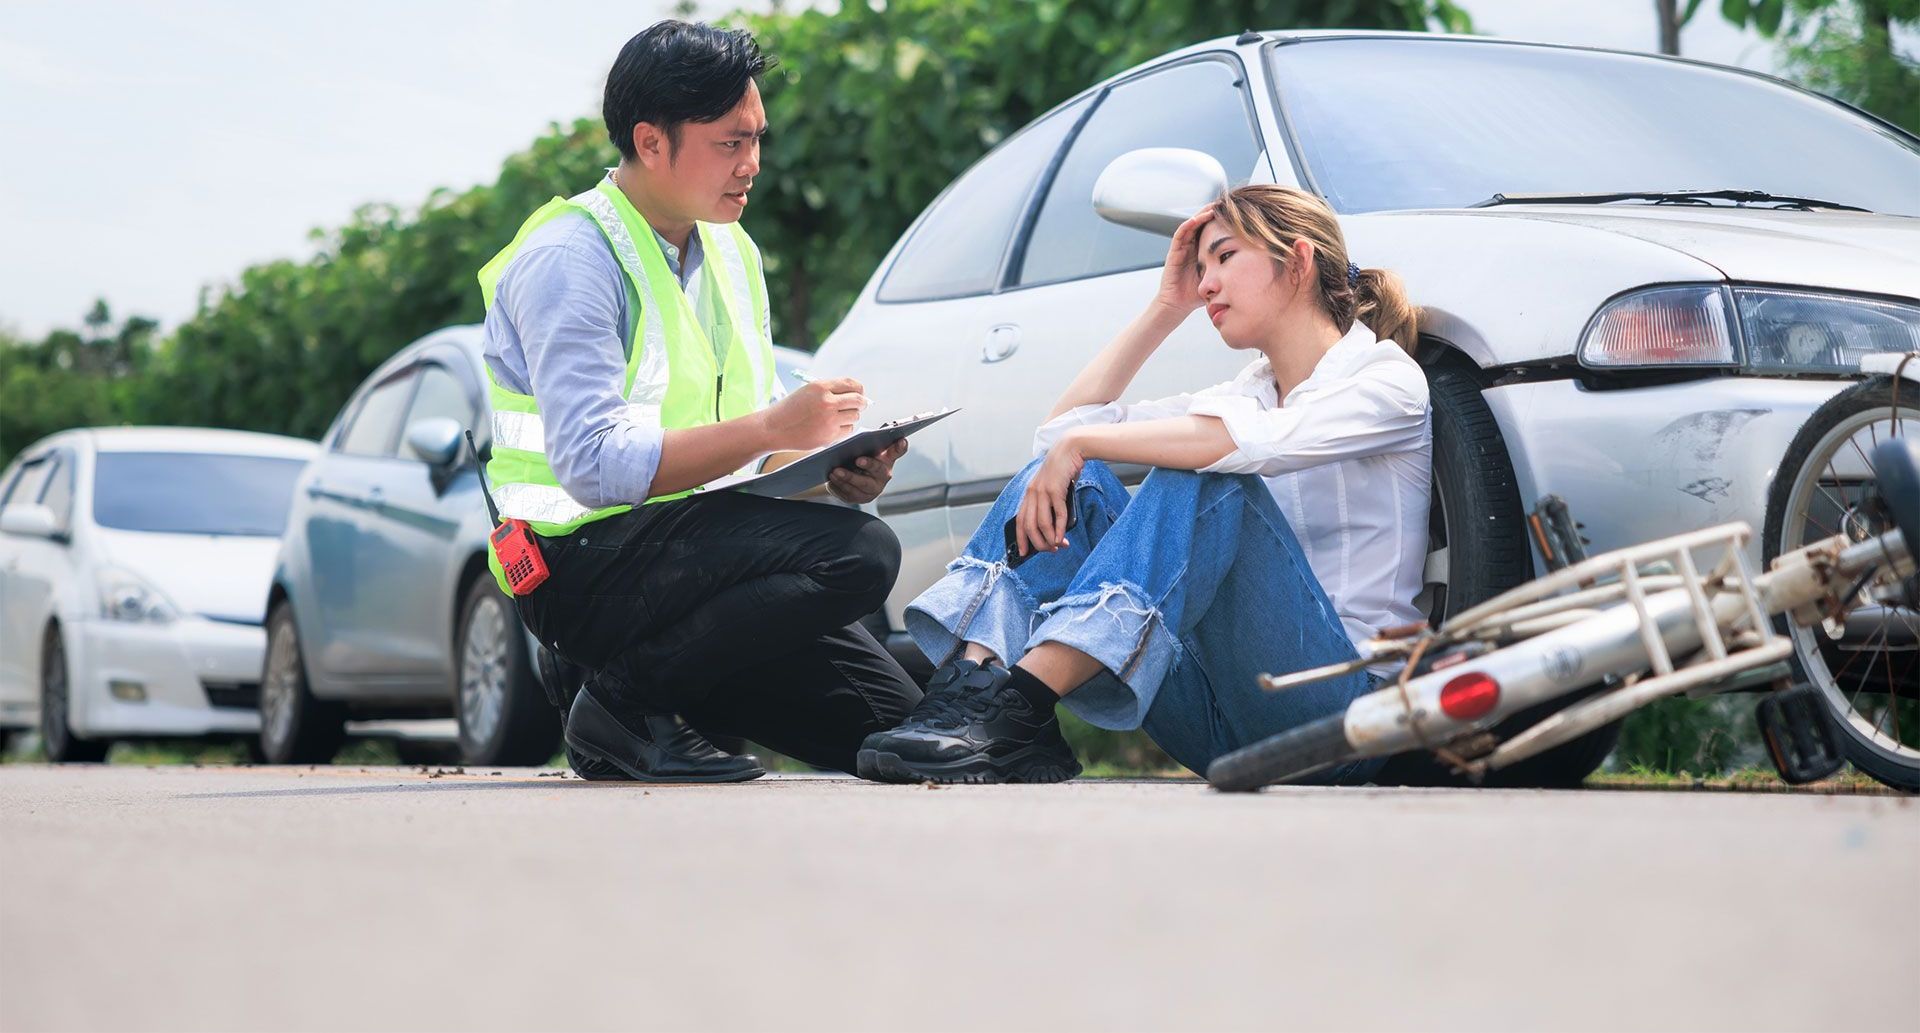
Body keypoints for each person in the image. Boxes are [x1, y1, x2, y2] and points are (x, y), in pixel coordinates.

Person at [857, 185, 1430, 784]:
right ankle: (975, 691)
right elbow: (1061, 432)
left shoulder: (1385, 380)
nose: (1206, 283)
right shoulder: (1246, 392)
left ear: (1300, 261)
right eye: (1200, 269)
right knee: (1075, 481)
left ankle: (1018, 705)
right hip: (1220, 723)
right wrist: (1165, 307)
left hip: (1339, 718)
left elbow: (1243, 445)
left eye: (1225, 258)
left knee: (1211, 478)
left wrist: (1079, 446)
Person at [478, 20, 920, 782]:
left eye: (758, 139)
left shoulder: (730, 249)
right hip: (578, 562)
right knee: (860, 554)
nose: (752, 164)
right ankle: (619, 700)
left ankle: (639, 686)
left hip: (690, 563)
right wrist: (774, 425)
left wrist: (831, 463)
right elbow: (591, 466)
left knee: (900, 735)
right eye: (729, 142)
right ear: (652, 142)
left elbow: (749, 448)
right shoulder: (568, 258)